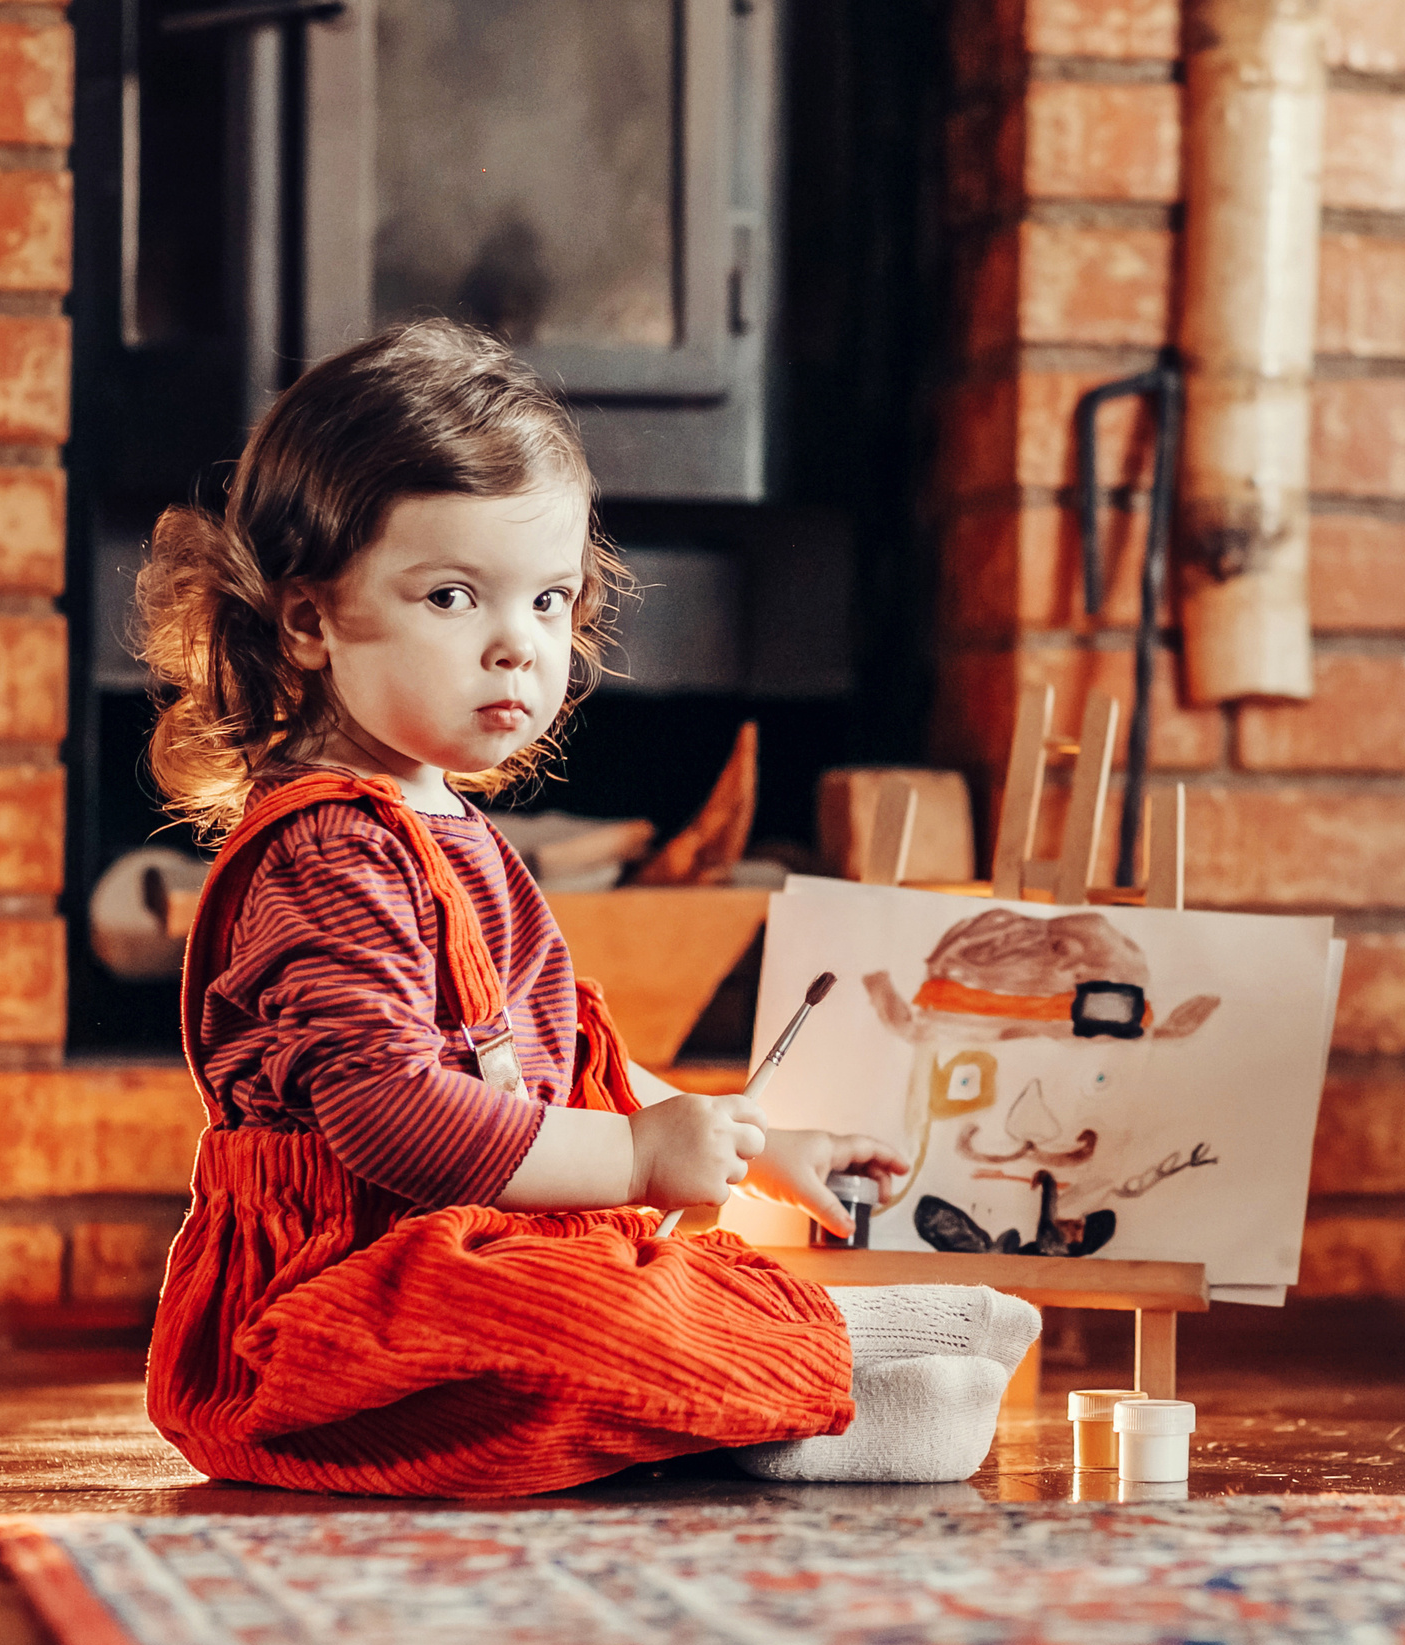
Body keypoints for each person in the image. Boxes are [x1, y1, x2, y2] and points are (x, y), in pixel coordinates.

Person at [137, 320, 1037, 1497]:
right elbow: (389, 1119)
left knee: (622, 1276)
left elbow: (567, 1067)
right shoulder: (328, 853)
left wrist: (755, 1146)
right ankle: (820, 1405)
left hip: (469, 1249)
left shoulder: (450, 831)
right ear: (308, 620)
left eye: (549, 599)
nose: (518, 645)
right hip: (335, 1311)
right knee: (566, 1314)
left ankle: (823, 1349)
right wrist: (634, 1157)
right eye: (453, 595)